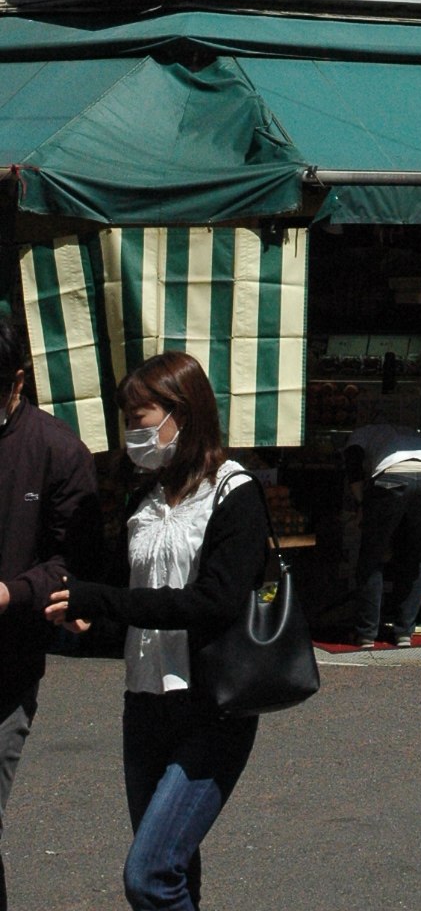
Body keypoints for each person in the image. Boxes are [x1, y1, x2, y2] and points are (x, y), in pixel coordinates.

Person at [45, 352, 272, 911]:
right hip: (144, 706)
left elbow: (214, 603)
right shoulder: (142, 501)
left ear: (182, 413)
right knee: (175, 870)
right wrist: (83, 622)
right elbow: (128, 606)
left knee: (149, 875)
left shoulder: (233, 493)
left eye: (140, 417)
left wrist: (103, 600)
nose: (132, 433)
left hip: (212, 707)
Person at [0, 315, 100, 911]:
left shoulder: (58, 450)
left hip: (6, 665)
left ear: (18, 379)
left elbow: (78, 563)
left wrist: (14, 592)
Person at [344, 421, 421, 648]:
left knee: (372, 557)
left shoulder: (361, 433)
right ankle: (404, 632)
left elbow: (353, 468)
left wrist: (363, 503)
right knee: (418, 556)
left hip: (389, 476)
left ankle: (366, 634)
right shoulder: (413, 432)